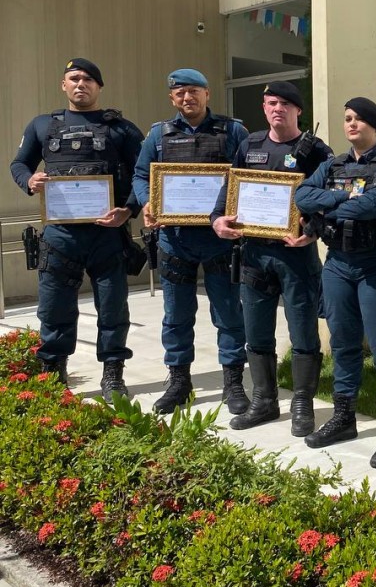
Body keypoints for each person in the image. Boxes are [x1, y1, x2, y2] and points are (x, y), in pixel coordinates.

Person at [9, 58, 144, 396]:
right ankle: (54, 373)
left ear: (99, 87)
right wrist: (30, 180)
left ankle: (113, 374)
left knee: (113, 307)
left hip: (107, 233)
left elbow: (145, 176)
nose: (81, 84)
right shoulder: (42, 125)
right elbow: (19, 163)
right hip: (60, 236)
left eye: (88, 79)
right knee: (54, 306)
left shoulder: (122, 129)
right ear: (63, 85)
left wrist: (128, 211)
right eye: (74, 78)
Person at [294, 96, 376, 467]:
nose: (351, 124)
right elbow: (301, 194)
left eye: (360, 119)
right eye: (347, 119)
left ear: (375, 127)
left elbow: (375, 205)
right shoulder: (332, 165)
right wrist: (343, 194)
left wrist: (325, 203)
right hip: (338, 265)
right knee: (343, 344)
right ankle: (344, 417)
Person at [211, 81, 333, 433]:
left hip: (295, 256)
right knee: (256, 330)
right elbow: (229, 188)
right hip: (254, 255)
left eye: (283, 103)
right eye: (269, 103)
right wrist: (217, 218)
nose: (276, 108)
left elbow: (331, 199)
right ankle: (264, 401)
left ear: (298, 110)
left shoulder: (316, 151)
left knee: (303, 332)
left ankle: (302, 404)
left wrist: (312, 230)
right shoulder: (249, 145)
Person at [131, 68, 249, 415]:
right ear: (172, 98)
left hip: (219, 242)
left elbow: (246, 174)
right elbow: (141, 174)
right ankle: (179, 382)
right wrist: (147, 202)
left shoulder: (232, 131)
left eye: (194, 91)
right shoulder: (158, 135)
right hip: (175, 241)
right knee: (177, 316)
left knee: (228, 313)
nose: (187, 98)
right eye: (180, 92)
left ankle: (234, 382)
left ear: (207, 94)